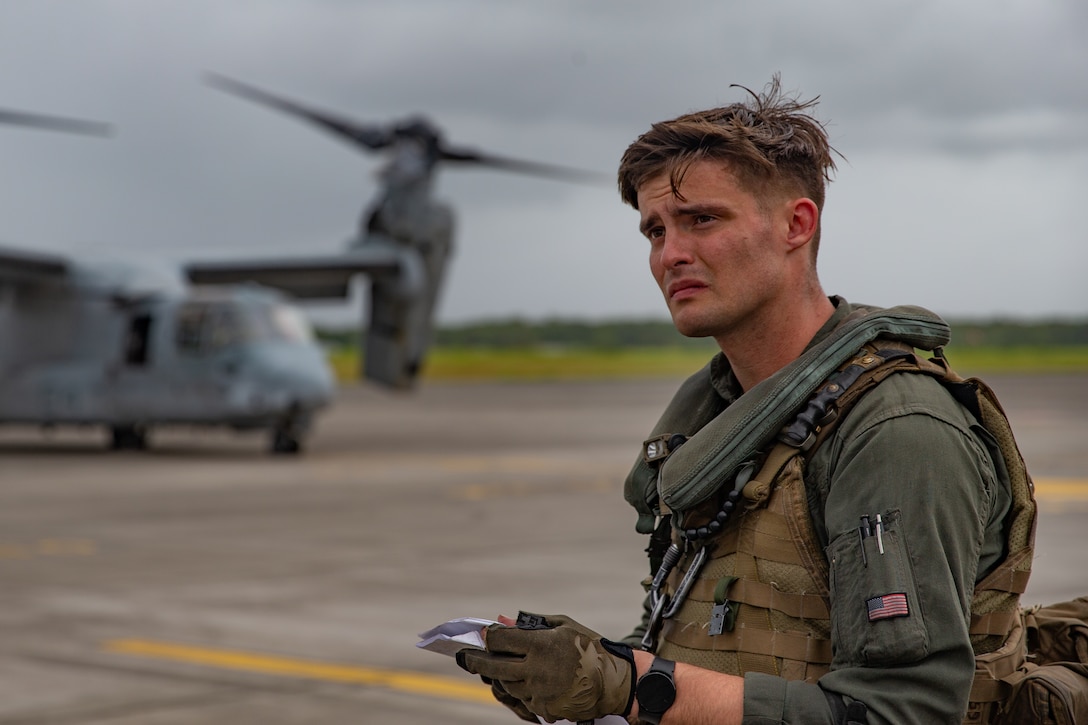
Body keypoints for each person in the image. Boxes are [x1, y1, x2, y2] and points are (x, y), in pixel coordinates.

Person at [457, 76, 1035, 725]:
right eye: (654, 231)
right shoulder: (728, 417)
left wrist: (631, 684)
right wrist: (587, 673)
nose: (671, 254)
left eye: (702, 219)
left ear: (796, 224)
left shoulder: (894, 428)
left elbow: (904, 713)